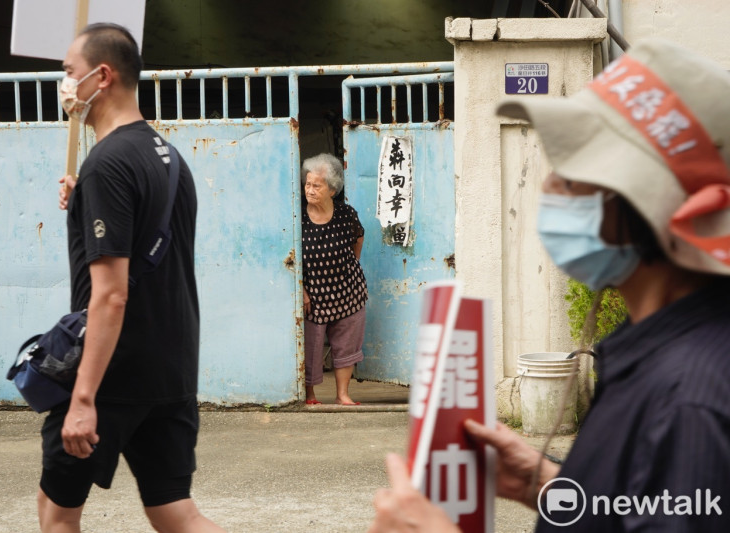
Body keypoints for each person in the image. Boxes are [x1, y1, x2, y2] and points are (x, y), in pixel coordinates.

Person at [368, 38, 730, 532]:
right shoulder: (659, 353)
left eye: (573, 175)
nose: (547, 189)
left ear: (641, 205)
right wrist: (548, 484)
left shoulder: (691, 401)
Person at [42, 23, 224, 532]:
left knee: (56, 513)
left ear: (102, 76)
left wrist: (82, 397)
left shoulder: (108, 165)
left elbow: (113, 294)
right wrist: (85, 197)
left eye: (69, 73)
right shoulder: (169, 160)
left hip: (113, 374)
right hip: (172, 368)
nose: (64, 85)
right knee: (174, 510)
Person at [301, 153, 368, 405]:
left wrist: (348, 269)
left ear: (332, 189)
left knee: (346, 345)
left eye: (316, 185)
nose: (310, 189)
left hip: (348, 292)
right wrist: (302, 292)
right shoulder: (297, 218)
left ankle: (343, 395)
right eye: (308, 184)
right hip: (312, 296)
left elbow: (358, 239)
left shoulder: (345, 214)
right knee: (311, 346)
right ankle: (309, 395)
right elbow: (291, 258)